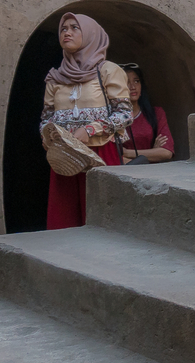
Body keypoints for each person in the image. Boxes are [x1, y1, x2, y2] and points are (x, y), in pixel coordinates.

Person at [40, 12, 132, 229]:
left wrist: (91, 129)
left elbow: (125, 114)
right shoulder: (56, 77)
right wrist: (48, 137)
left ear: (90, 34)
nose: (67, 33)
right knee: (64, 220)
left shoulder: (108, 71)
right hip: (65, 157)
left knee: (105, 220)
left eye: (74, 28)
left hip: (100, 153)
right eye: (63, 29)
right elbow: (46, 117)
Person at [118, 64, 175, 164]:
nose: (132, 87)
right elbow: (113, 156)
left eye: (136, 81)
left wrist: (127, 153)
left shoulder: (156, 113)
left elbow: (166, 152)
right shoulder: (112, 118)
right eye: (126, 82)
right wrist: (152, 153)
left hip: (152, 174)